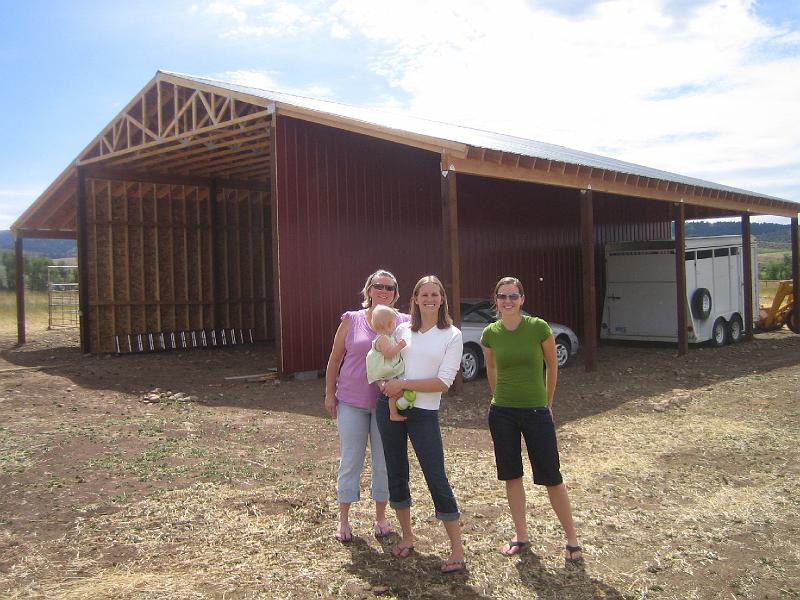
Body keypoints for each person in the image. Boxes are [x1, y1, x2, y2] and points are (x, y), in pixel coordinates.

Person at [480, 276, 583, 564]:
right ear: (496, 300)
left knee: (552, 476)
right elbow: (491, 368)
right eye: (502, 296)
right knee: (512, 475)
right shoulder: (491, 333)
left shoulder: (538, 328)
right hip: (502, 414)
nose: (508, 301)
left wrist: (548, 402)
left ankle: (572, 540)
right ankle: (521, 535)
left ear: (522, 299)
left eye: (513, 296)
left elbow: (552, 365)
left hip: (537, 412)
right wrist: (497, 398)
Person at [376, 275, 466, 574]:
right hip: (390, 407)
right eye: (423, 294)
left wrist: (403, 384)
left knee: (435, 475)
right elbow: (384, 359)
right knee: (396, 471)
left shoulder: (451, 335)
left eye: (435, 294)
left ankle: (456, 550)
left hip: (423, 413)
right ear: (414, 299)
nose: (429, 299)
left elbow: (443, 382)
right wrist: (386, 384)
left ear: (442, 300)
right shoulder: (402, 329)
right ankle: (407, 536)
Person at [324, 269, 408, 542]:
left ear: (396, 294)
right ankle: (344, 521)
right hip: (351, 401)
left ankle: (381, 517)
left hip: (386, 404)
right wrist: (329, 394)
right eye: (379, 286)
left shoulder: (403, 322)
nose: (384, 291)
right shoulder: (352, 320)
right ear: (369, 290)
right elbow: (335, 359)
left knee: (383, 461)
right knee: (351, 460)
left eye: (390, 288)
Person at [366, 305, 409, 421]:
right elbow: (388, 354)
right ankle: (393, 414)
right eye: (394, 322)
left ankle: (395, 409)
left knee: (390, 390)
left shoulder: (385, 337)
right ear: (389, 324)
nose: (395, 325)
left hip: (381, 370)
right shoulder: (383, 339)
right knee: (394, 393)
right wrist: (399, 346)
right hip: (382, 369)